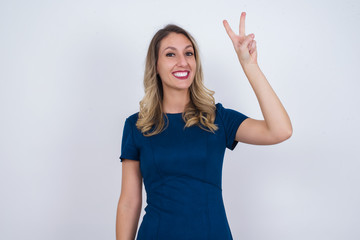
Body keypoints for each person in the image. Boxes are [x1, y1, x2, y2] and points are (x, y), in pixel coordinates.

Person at [116, 12, 292, 240]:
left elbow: (280, 130)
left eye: (189, 53)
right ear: (156, 66)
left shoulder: (217, 118)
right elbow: (129, 202)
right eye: (171, 54)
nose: (183, 61)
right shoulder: (137, 125)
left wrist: (249, 65)